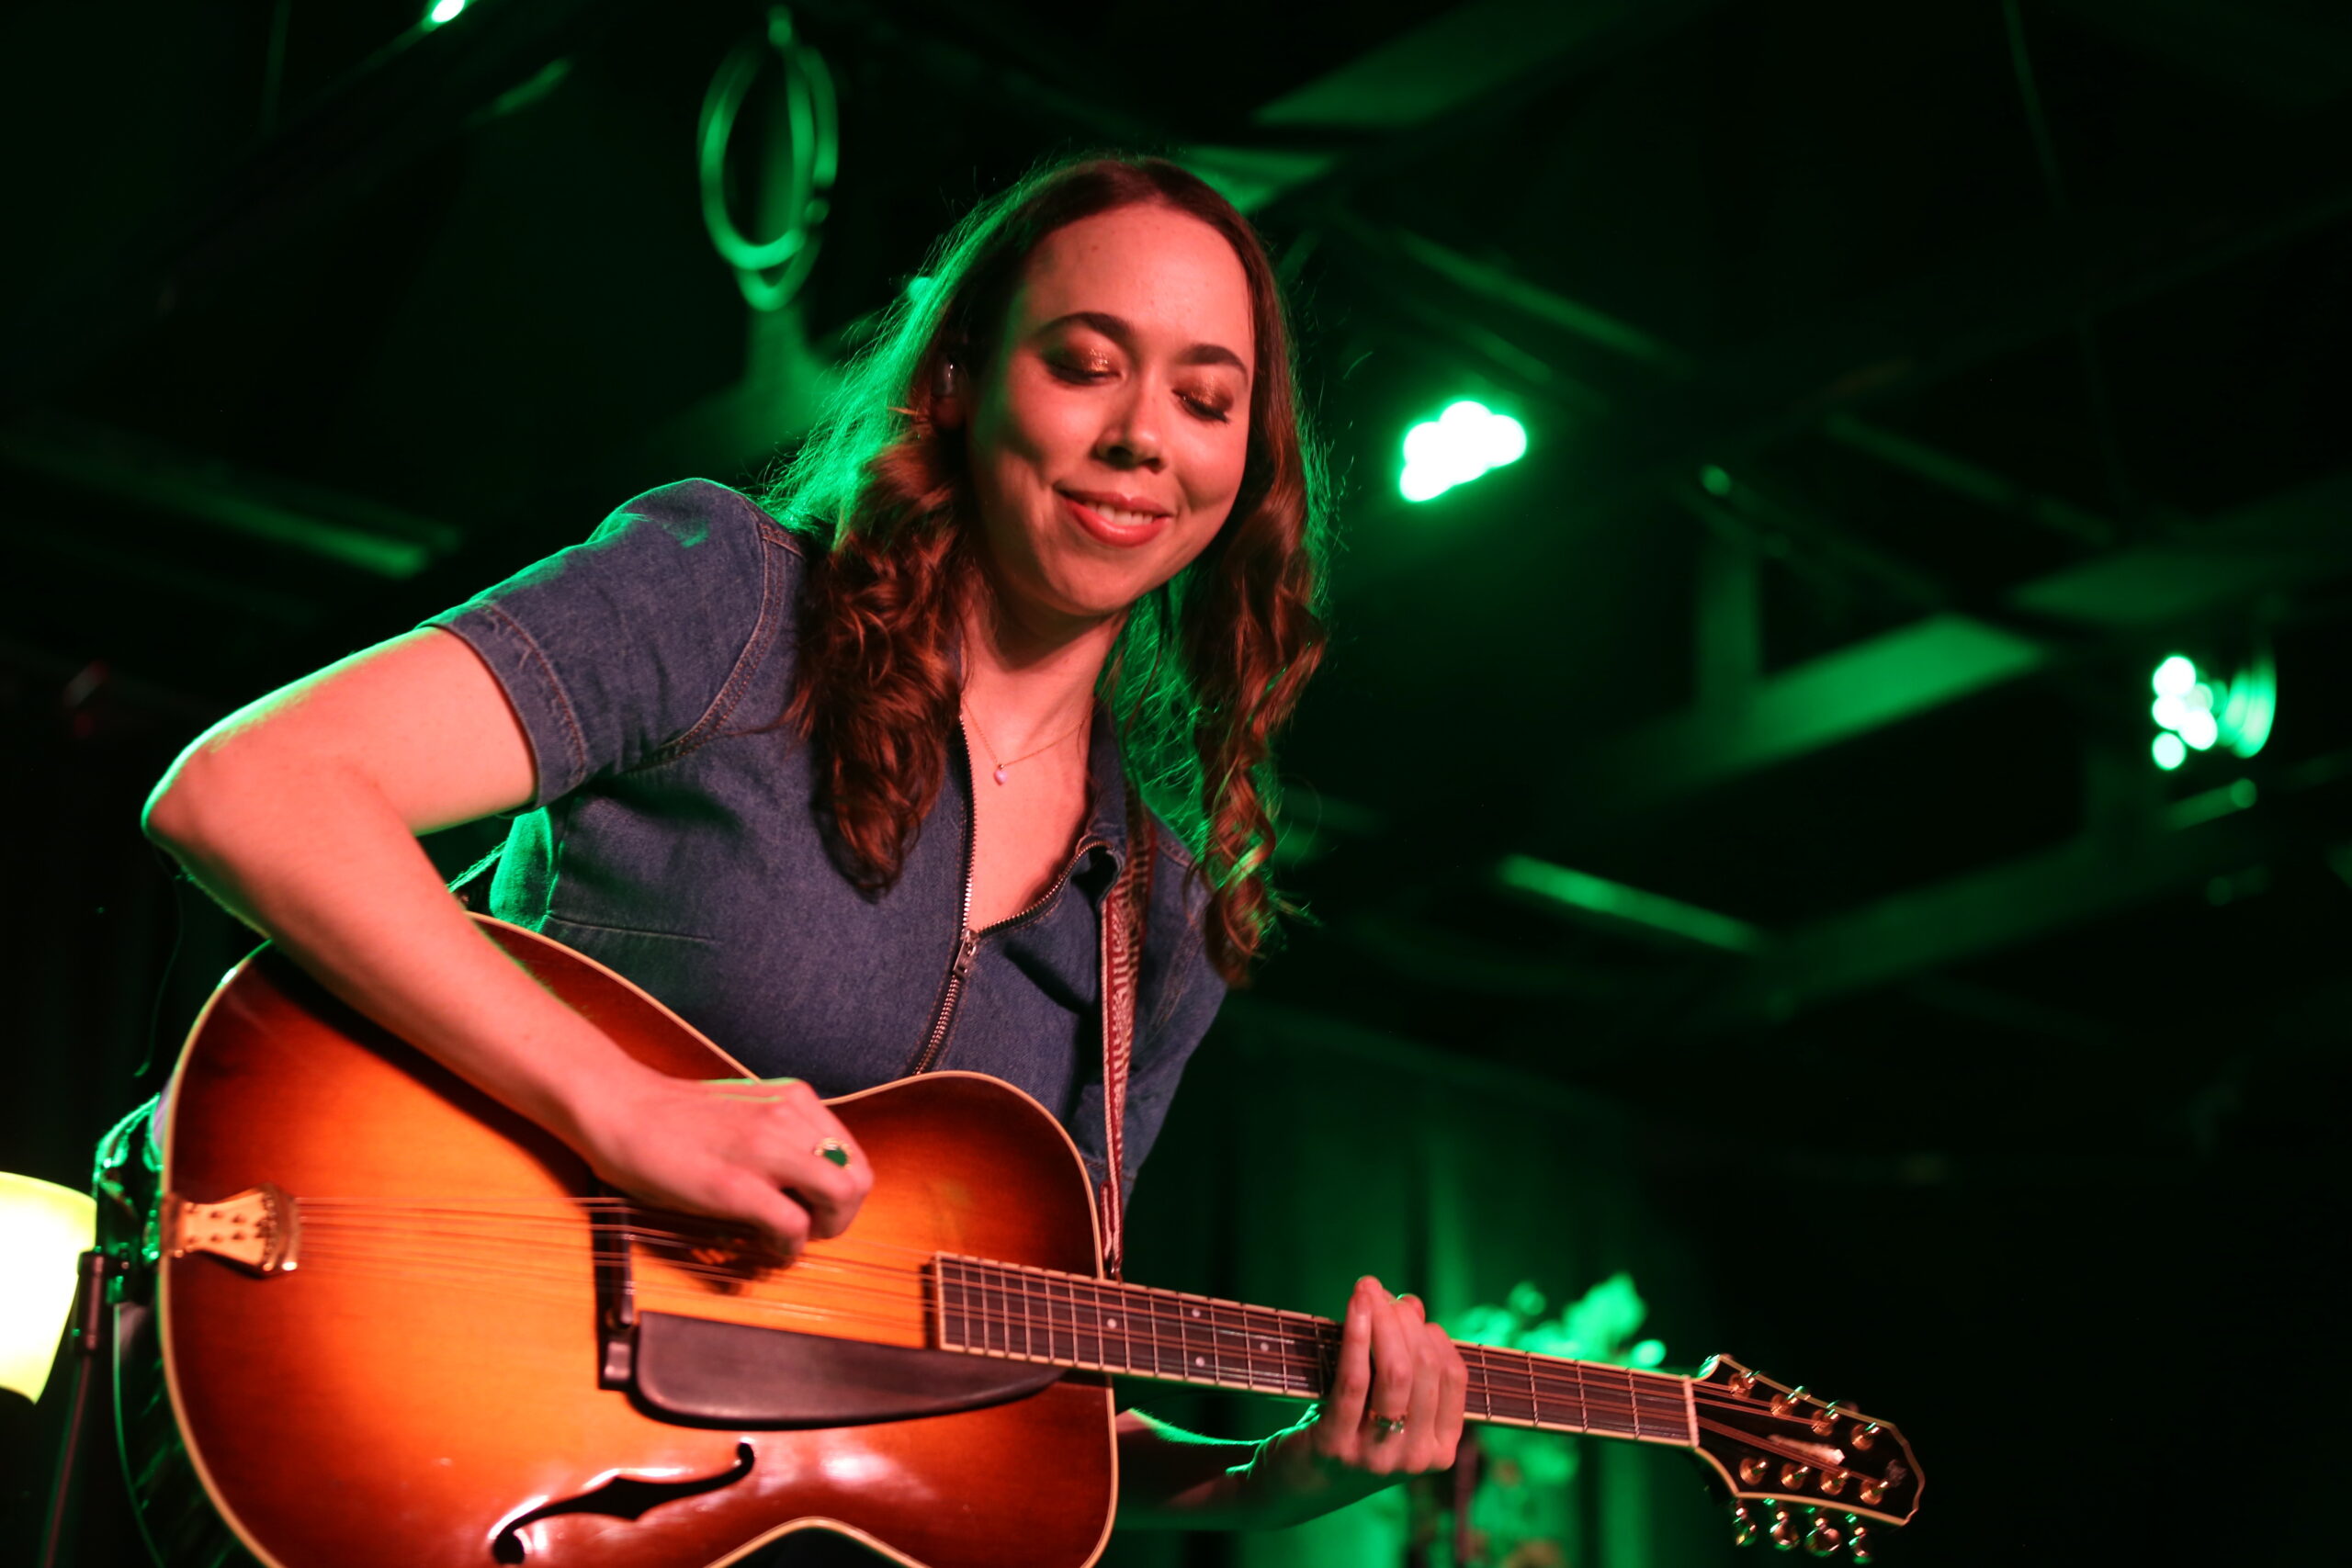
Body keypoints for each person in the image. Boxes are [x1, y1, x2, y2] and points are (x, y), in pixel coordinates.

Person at [143, 152, 1467, 1549]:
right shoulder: (726, 604)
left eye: (1206, 399)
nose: (1145, 437)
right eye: (1086, 366)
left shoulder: (1158, 923)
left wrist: (1280, 1489)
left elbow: (1001, 1423)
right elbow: (247, 789)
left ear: (1245, 465)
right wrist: (623, 1108)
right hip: (405, 1381)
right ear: (959, 382)